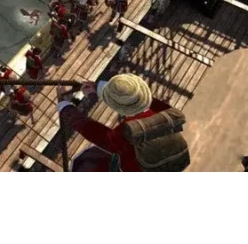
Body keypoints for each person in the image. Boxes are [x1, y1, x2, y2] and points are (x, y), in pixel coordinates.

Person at [57, 73, 188, 172]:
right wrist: (100, 89)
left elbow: (96, 133)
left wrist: (65, 107)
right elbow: (138, 97)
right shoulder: (166, 112)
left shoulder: (128, 132)